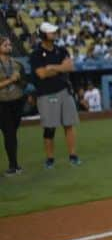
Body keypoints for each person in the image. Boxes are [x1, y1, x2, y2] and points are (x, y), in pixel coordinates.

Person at [29, 21, 81, 168]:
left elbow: (70, 66)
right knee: (49, 128)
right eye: (51, 32)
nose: (55, 33)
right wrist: (60, 68)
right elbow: (42, 74)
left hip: (65, 90)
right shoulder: (36, 54)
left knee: (69, 125)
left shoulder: (62, 50)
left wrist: (52, 67)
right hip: (46, 94)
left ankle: (73, 155)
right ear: (44, 35)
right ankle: (50, 158)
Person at [0, 36, 26, 175]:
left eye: (9, 44)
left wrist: (19, 80)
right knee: (9, 133)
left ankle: (14, 164)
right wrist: (10, 80)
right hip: (2, 103)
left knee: (12, 134)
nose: (9, 46)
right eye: (5, 45)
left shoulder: (16, 64)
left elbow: (24, 83)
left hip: (16, 101)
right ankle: (13, 165)